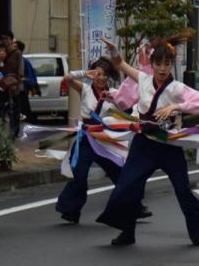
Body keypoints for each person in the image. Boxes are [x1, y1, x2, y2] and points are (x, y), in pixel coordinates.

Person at [95, 37, 199, 247]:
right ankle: (127, 232)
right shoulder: (143, 79)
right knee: (128, 186)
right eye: (158, 64)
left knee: (182, 189)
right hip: (144, 144)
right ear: (152, 64)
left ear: (171, 65)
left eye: (167, 64)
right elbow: (120, 64)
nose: (162, 69)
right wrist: (114, 50)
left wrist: (176, 107)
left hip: (168, 143)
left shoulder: (176, 88)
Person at [55, 57, 143, 223]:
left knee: (119, 173)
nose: (101, 78)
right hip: (86, 139)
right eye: (97, 74)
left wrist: (114, 100)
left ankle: (134, 207)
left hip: (104, 140)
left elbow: (127, 112)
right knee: (79, 175)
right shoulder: (85, 89)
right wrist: (84, 73)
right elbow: (67, 78)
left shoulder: (115, 93)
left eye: (104, 74)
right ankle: (70, 210)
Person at [0, 31, 24, 137]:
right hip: (2, 86)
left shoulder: (16, 53)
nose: (4, 41)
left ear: (11, 39)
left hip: (14, 86)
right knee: (3, 110)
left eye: (7, 38)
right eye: (3, 39)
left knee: (14, 110)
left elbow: (20, 72)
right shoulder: (1, 53)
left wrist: (16, 83)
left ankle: (14, 132)